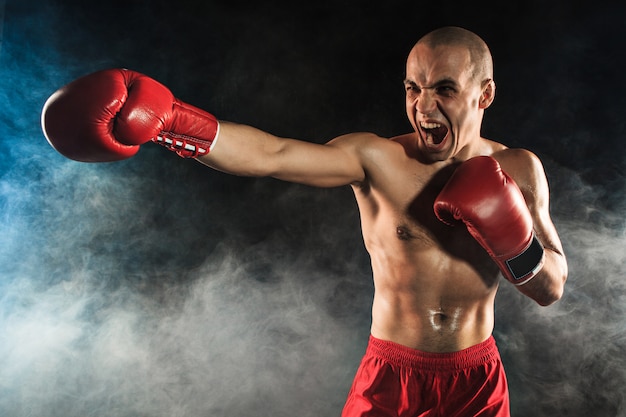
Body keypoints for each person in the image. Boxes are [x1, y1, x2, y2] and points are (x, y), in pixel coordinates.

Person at [41, 26, 568, 417]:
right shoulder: (377, 158)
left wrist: (513, 239)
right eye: (412, 88)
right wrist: (173, 122)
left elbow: (551, 287)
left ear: (485, 95)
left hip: (474, 379)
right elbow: (273, 154)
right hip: (392, 375)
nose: (423, 107)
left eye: (444, 90)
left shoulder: (519, 168)